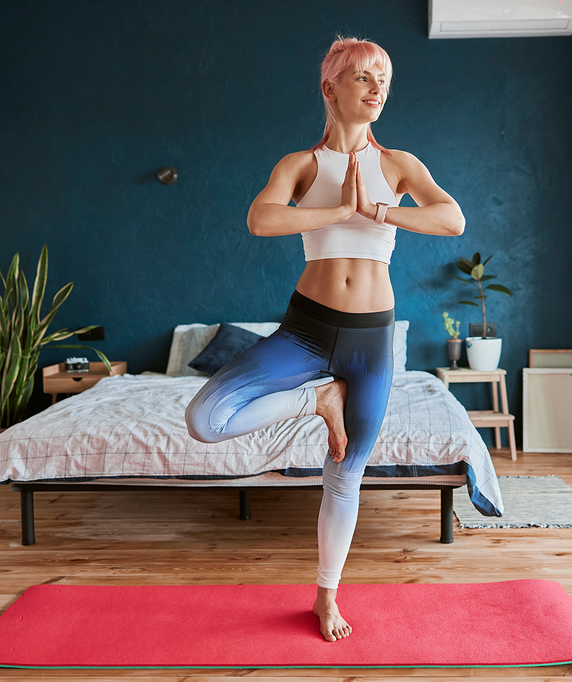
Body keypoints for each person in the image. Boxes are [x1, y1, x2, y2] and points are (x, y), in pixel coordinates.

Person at [185, 37, 465, 642]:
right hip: (306, 330)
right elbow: (263, 219)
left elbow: (451, 219)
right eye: (361, 77)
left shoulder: (399, 166)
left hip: (369, 339)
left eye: (383, 79)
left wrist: (382, 212)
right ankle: (319, 400)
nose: (375, 88)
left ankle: (326, 596)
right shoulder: (301, 165)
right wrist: (339, 211)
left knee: (346, 471)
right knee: (205, 417)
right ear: (328, 88)